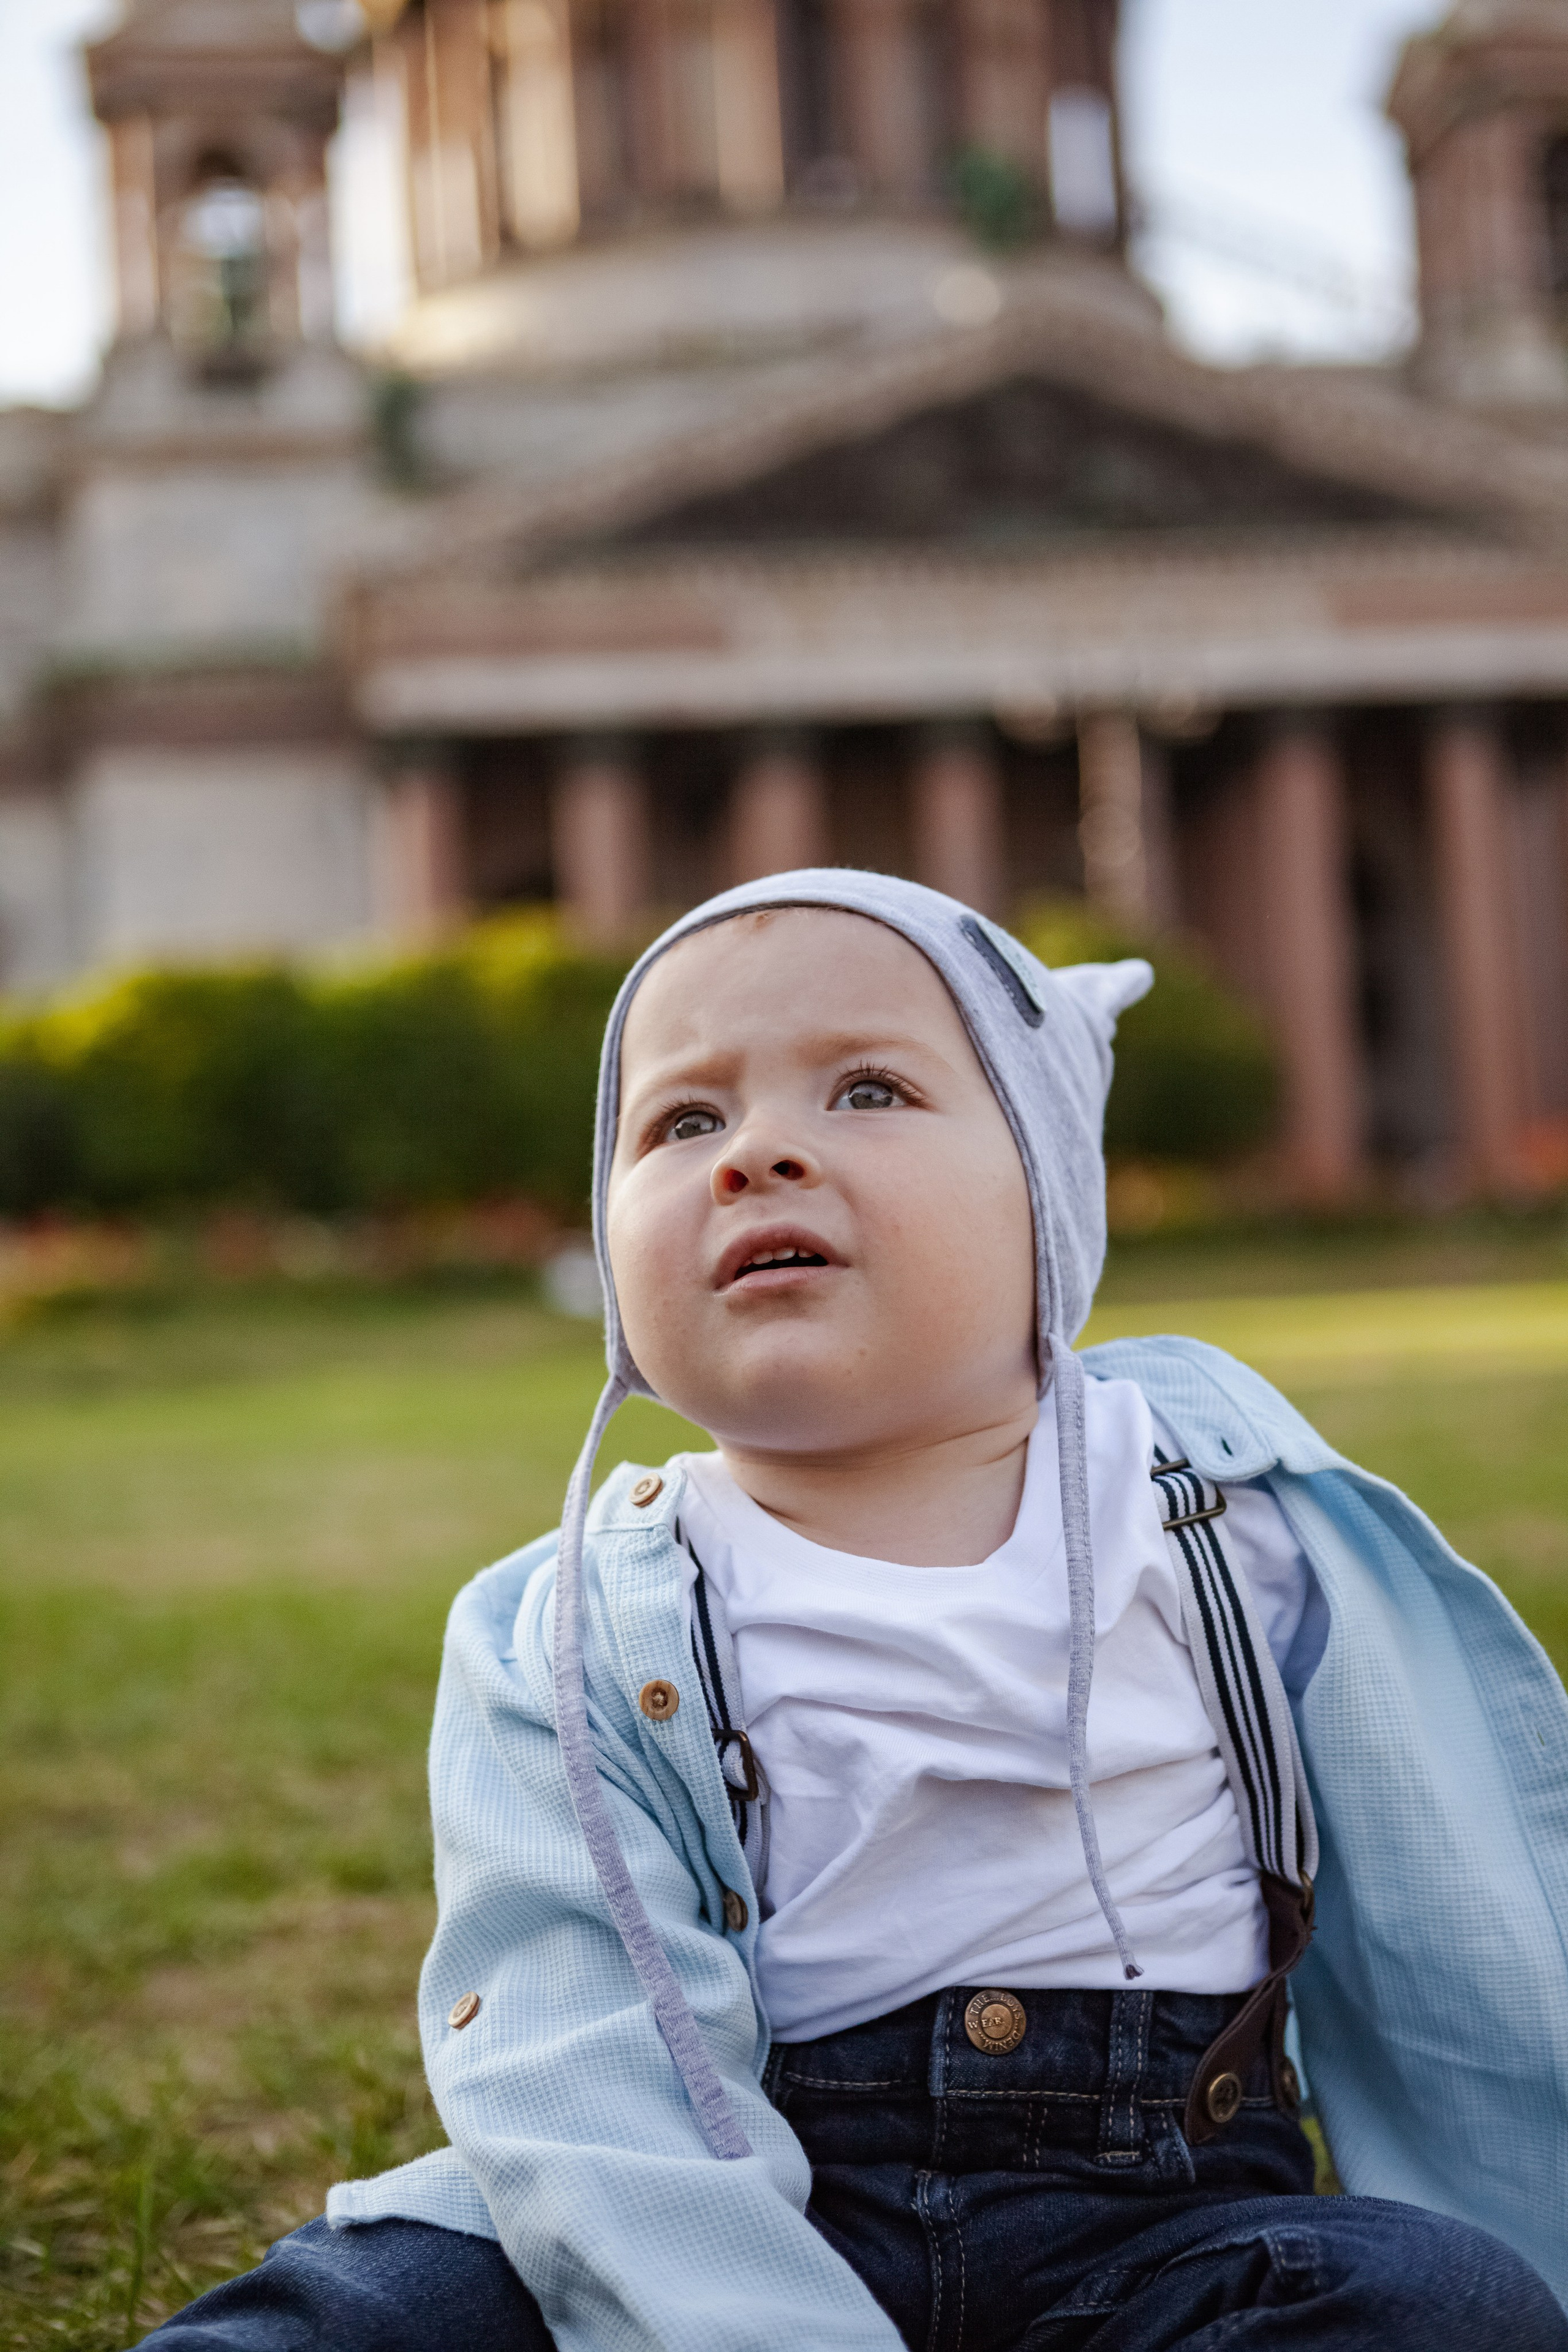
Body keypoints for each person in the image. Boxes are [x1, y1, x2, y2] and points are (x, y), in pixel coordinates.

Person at [141, 872, 1568, 2352]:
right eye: (682, 1122)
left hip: (1164, 2226)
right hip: (709, 2197)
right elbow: (577, 2046)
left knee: (1440, 2305)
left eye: (867, 1089)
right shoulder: (570, 1627)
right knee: (379, 2306)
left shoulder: (1226, 1519)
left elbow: (1466, 1899)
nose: (754, 1155)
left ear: (1046, 1189)